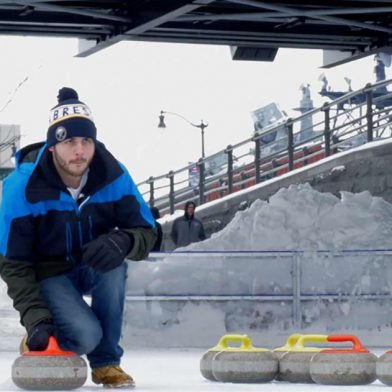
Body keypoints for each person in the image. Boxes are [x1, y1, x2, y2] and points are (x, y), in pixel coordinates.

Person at [0, 87, 157, 389]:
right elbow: (12, 263)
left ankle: (107, 363)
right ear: (51, 147)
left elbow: (148, 230)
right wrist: (36, 319)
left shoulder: (113, 176)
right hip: (49, 274)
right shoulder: (22, 187)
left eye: (86, 140)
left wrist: (123, 241)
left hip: (93, 263)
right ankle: (47, 335)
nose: (79, 151)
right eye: (69, 141)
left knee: (116, 265)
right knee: (86, 336)